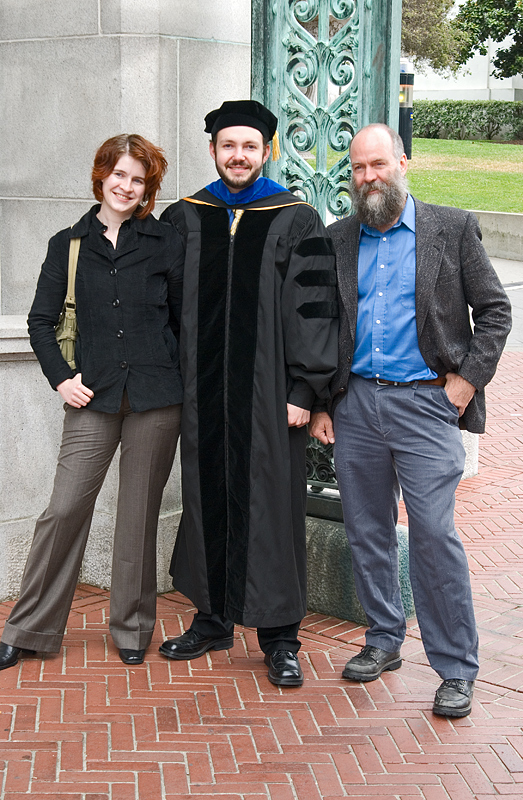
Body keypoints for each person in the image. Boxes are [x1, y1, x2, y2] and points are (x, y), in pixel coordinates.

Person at [310, 123, 511, 716]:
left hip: (428, 404)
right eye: (357, 169)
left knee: (432, 535)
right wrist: (325, 401)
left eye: (378, 164)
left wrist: (464, 385)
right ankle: (383, 639)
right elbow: (321, 329)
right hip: (357, 407)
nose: (368, 177)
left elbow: (495, 311)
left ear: (403, 161)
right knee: (367, 530)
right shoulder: (339, 237)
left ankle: (455, 667)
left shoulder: (451, 228)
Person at [159, 100, 338, 686]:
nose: (239, 155)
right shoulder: (186, 216)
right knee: (206, 497)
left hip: (270, 399)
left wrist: (306, 389)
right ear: (213, 150)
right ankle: (211, 620)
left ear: (268, 151)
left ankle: (281, 637)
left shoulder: (296, 218)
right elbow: (160, 308)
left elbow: (315, 312)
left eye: (250, 146)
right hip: (203, 396)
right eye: (228, 145)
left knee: (273, 510)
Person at [0, 134, 183, 670]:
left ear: (148, 187)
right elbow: (40, 321)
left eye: (138, 179)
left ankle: (132, 627)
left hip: (157, 397)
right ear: (101, 176)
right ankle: (28, 626)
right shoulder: (68, 243)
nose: (127, 187)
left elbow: (184, 322)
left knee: (136, 516)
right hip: (91, 397)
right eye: (119, 175)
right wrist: (61, 378)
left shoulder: (165, 242)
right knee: (62, 510)